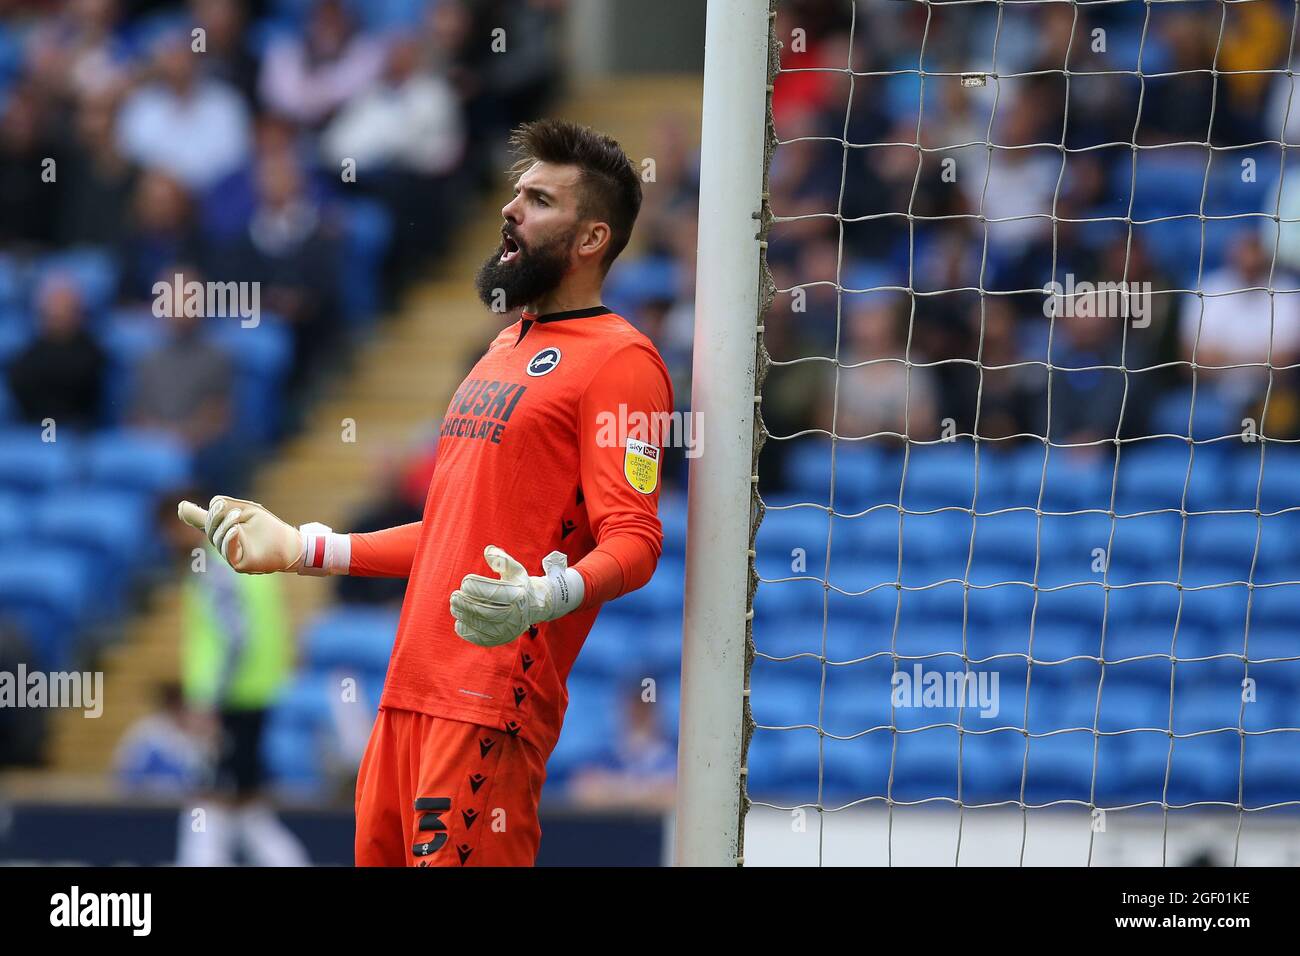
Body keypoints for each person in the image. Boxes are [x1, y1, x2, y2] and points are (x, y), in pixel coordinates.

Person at [177, 120, 673, 867]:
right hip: (406, 695)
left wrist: (547, 593)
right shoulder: (502, 349)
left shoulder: (623, 364)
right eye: (514, 193)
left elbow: (637, 542)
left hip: (488, 703)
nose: (510, 209)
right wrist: (305, 546)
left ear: (591, 238)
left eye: (538, 200)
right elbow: (449, 530)